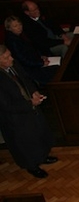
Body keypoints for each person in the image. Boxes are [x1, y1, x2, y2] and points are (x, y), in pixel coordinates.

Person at [0, 45, 56, 179]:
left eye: (10, 54)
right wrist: (30, 103)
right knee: (25, 143)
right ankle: (32, 166)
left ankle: (42, 156)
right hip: (15, 118)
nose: (11, 58)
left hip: (30, 109)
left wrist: (34, 92)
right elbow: (6, 105)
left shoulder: (13, 65)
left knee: (38, 134)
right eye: (7, 57)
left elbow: (26, 79)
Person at [4, 16, 58, 86]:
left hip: (34, 63)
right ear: (9, 28)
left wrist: (40, 57)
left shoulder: (18, 36)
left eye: (20, 24)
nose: (19, 27)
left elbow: (30, 51)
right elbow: (23, 59)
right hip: (29, 69)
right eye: (15, 26)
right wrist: (41, 63)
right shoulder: (12, 41)